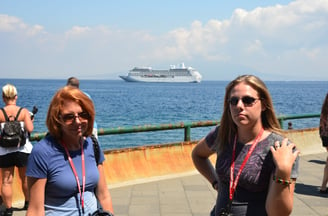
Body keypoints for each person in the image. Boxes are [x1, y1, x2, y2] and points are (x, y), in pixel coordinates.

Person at [191, 75, 300, 216]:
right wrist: (216, 183)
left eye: (248, 100)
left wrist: (283, 171)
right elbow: (198, 155)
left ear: (264, 104)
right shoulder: (222, 134)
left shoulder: (281, 148)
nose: (239, 106)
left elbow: (278, 213)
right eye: (233, 101)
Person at [26, 86, 114, 215]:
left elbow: (104, 194)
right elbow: (35, 209)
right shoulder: (42, 152)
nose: (77, 121)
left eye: (83, 115)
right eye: (69, 117)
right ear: (57, 119)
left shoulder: (92, 144)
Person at [0, 84, 33, 216]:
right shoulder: (23, 112)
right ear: (16, 97)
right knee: (25, 178)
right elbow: (30, 129)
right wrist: (29, 120)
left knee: (6, 181)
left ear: (3, 97)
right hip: (22, 150)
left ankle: (9, 210)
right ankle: (28, 203)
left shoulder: (0, 113)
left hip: (4, 151)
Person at [319, 93, 328, 194]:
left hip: (325, 136)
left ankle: (323, 186)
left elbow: (322, 124)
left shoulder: (325, 106)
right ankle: (323, 186)